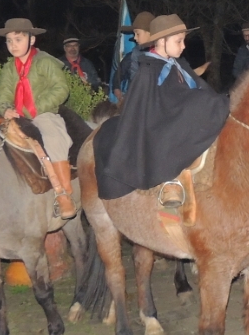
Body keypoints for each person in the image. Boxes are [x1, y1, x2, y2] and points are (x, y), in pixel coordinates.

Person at [94, 14, 230, 202]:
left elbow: (192, 88)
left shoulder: (177, 65)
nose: (183, 46)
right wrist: (194, 102)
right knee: (196, 107)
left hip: (172, 114)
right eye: (179, 41)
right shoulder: (148, 70)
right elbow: (152, 105)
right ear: (161, 41)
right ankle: (169, 179)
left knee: (211, 102)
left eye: (183, 41)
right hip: (156, 122)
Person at [0, 18, 76, 218]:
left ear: (31, 40)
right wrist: (5, 110)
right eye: (9, 41)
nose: (13, 45)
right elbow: (3, 94)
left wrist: (35, 108)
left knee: (54, 137)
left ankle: (63, 193)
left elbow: (61, 89)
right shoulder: (9, 68)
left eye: (18, 39)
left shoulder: (45, 62)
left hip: (43, 113)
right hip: (16, 114)